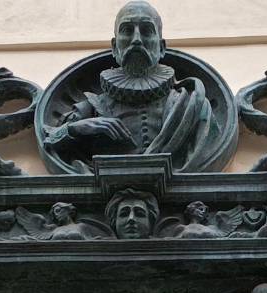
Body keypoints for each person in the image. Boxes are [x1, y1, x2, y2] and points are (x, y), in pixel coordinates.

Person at [43, 1, 220, 172]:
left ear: (162, 48)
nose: (136, 40)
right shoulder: (93, 106)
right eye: (127, 30)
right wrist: (80, 127)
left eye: (146, 31)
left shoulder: (191, 104)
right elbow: (51, 139)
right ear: (114, 47)